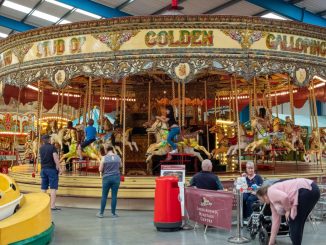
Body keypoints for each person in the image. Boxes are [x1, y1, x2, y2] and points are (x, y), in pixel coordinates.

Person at [256, 178, 320, 245]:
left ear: (264, 195)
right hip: (312, 189)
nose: (261, 201)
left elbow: (284, 197)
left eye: (260, 199)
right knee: (297, 222)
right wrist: (271, 242)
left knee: (293, 221)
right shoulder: (273, 203)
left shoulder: (270, 191)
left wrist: (287, 210)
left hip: (307, 189)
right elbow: (276, 222)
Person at [97, 146, 121, 218]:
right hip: (116, 178)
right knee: (114, 196)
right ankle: (113, 213)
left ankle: (101, 213)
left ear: (106, 150)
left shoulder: (104, 158)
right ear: (112, 150)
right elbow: (121, 166)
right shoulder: (118, 157)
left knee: (104, 196)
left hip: (107, 178)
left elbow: (100, 169)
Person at [39, 134, 62, 210]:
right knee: (53, 188)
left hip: (43, 169)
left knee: (43, 188)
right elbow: (55, 158)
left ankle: (42, 204)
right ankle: (52, 206)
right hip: (51, 169)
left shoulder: (41, 148)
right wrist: (59, 167)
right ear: (49, 140)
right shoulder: (52, 147)